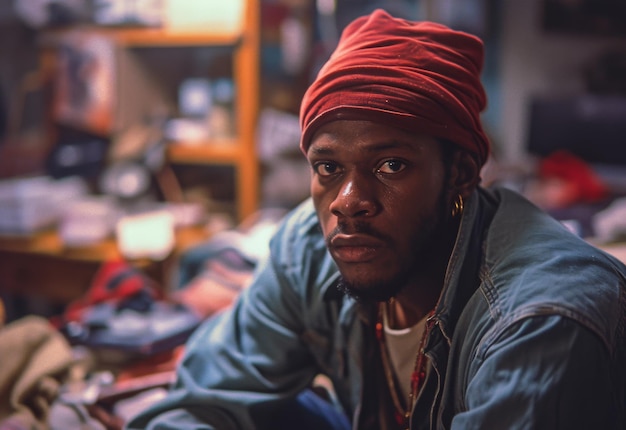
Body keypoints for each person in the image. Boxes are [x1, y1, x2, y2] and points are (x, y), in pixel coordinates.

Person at [126, 9, 626, 430]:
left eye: (391, 166)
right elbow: (202, 400)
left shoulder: (539, 322)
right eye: (328, 168)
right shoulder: (309, 246)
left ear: (461, 173)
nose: (347, 201)